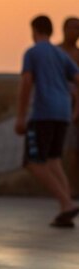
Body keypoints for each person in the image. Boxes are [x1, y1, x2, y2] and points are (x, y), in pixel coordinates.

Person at [16, 15, 79, 228]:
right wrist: (75, 108)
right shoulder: (60, 54)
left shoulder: (32, 52)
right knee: (53, 160)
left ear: (34, 30)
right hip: (63, 112)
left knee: (32, 162)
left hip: (44, 112)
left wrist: (21, 116)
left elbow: (26, 83)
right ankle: (65, 207)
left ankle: (67, 202)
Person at [58, 17, 79, 197]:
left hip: (75, 106)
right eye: (72, 28)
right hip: (58, 104)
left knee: (75, 149)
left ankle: (73, 187)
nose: (75, 32)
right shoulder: (57, 52)